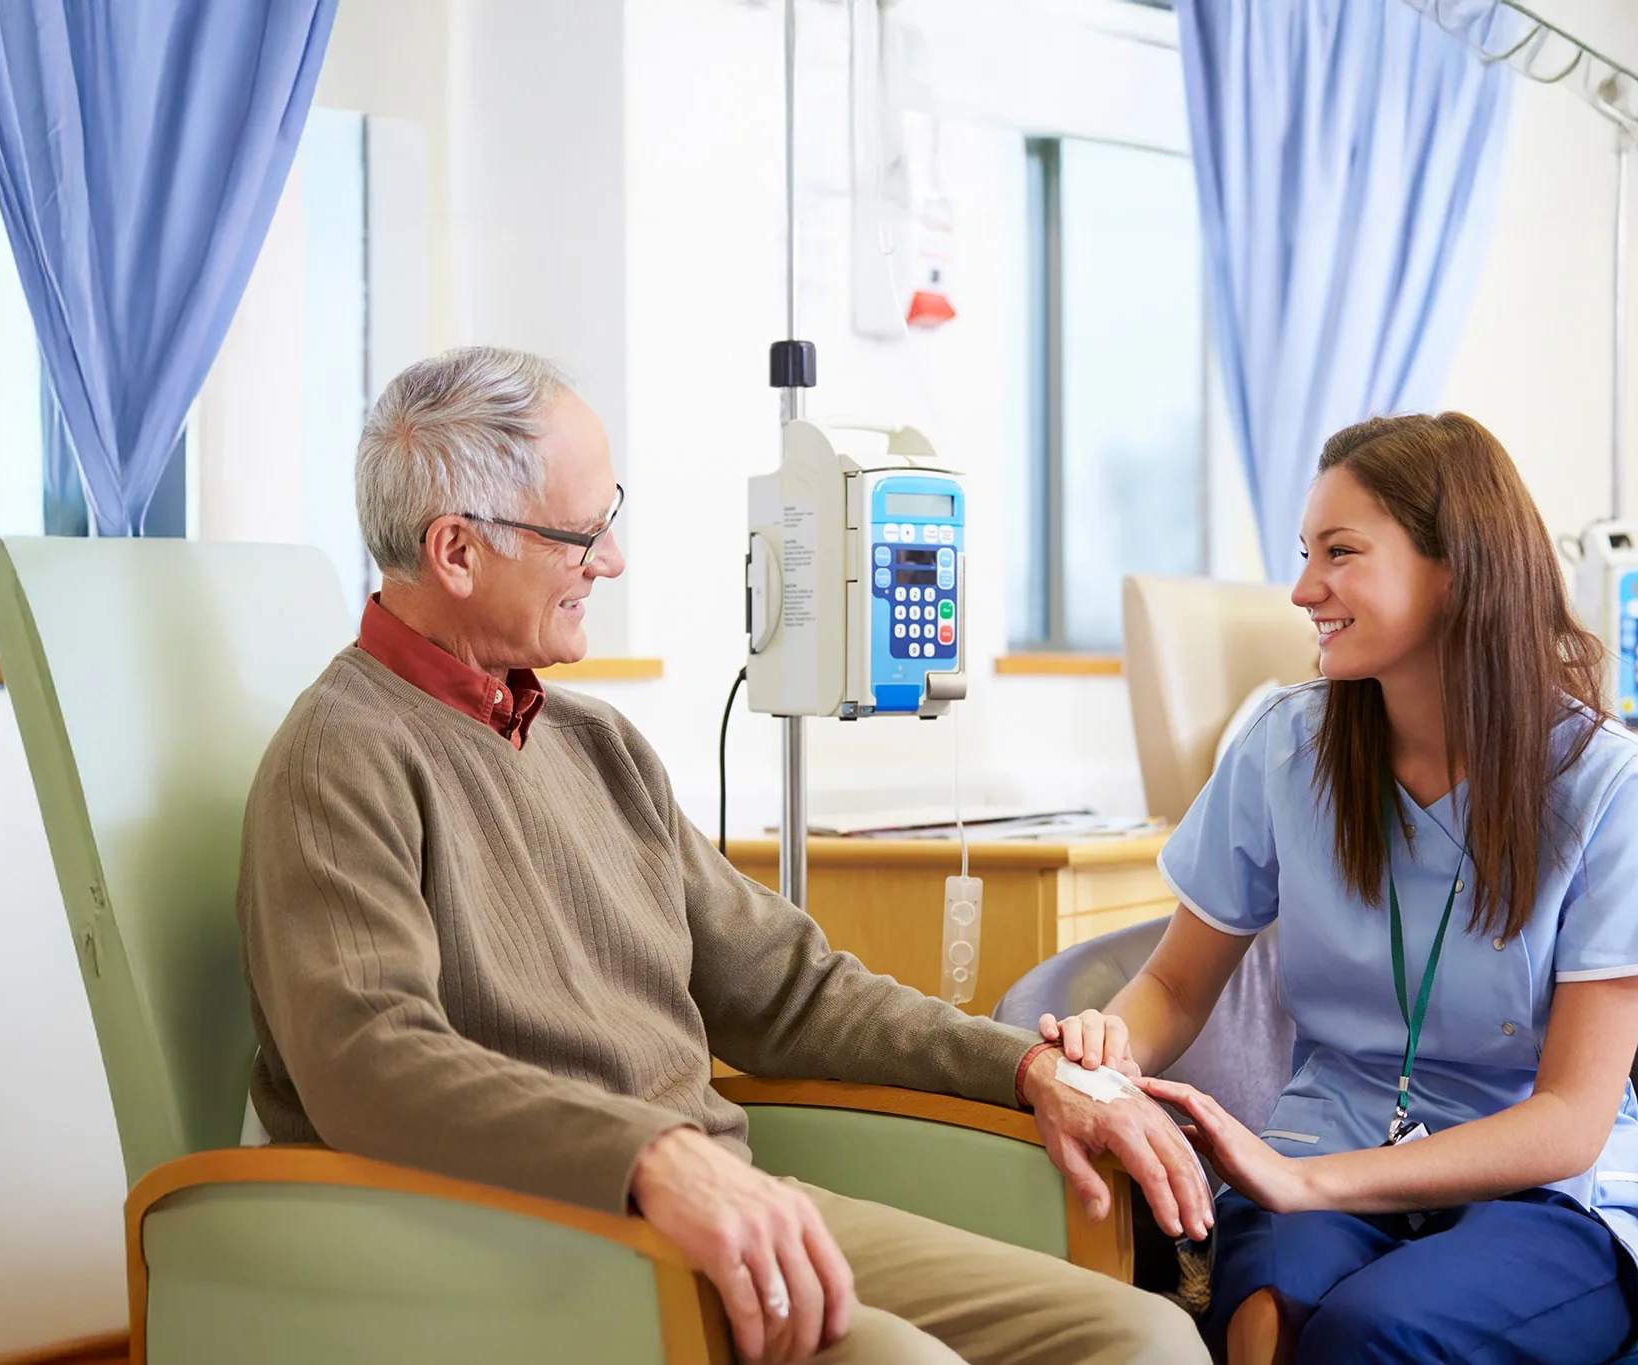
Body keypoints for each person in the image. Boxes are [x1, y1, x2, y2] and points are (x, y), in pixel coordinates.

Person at [237, 346, 1209, 1365]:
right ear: (455, 550)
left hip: (726, 1204)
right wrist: (646, 1157)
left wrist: (1024, 1067)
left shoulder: (594, 744)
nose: (609, 561)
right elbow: (367, 1064)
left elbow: (791, 989)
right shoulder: (336, 763)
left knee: (1140, 1340)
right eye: (581, 533)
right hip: (531, 1236)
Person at [1043, 413, 1638, 1365]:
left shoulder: (1610, 787)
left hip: (1543, 1191)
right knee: (1270, 1311)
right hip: (1321, 1140)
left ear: (1455, 568)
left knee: (1372, 1331)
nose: (1306, 590)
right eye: (1305, 554)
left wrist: (1312, 1186)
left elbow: (1569, 1118)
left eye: (1341, 553)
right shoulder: (1285, 746)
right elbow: (1176, 988)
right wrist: (1107, 1049)